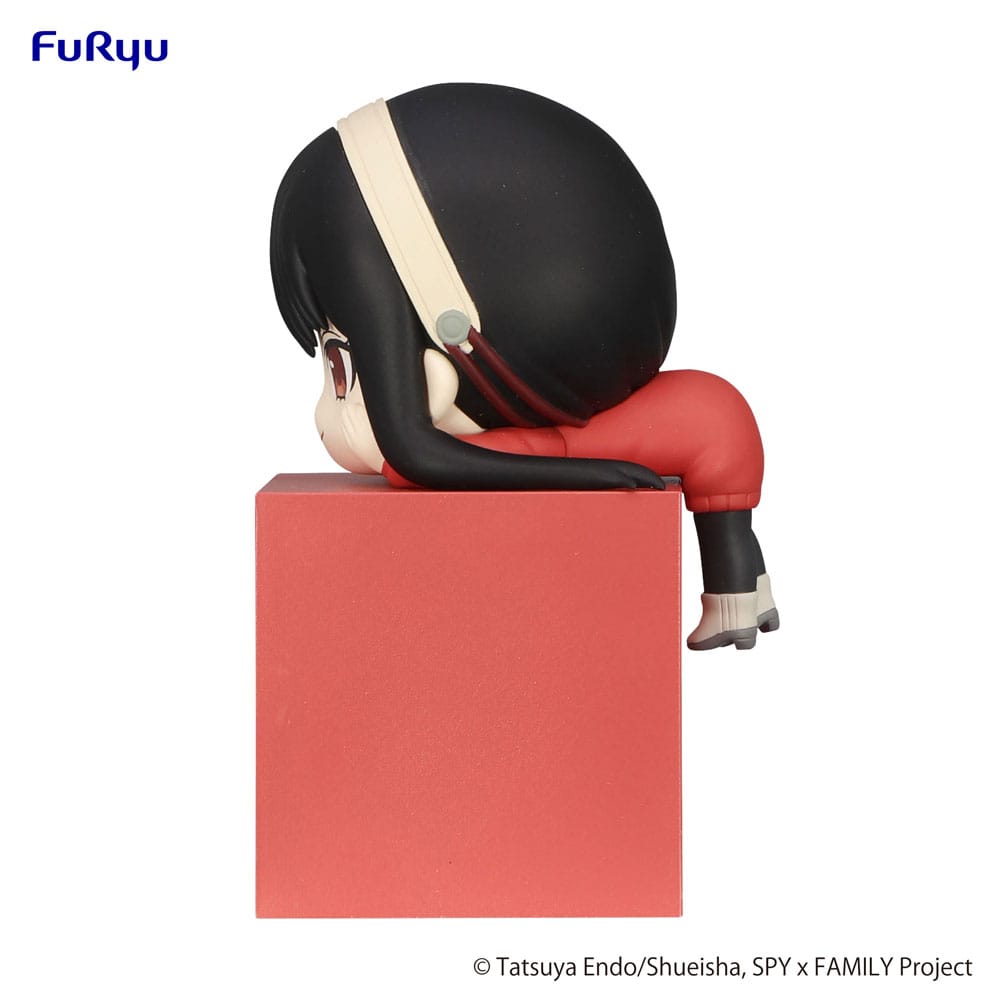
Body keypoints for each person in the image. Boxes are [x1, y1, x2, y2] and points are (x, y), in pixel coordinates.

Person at [270, 83, 778, 650]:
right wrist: (590, 474)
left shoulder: (342, 210)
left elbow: (410, 450)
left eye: (343, 364)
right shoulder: (698, 410)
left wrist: (588, 474)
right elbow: (412, 456)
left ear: (452, 332)